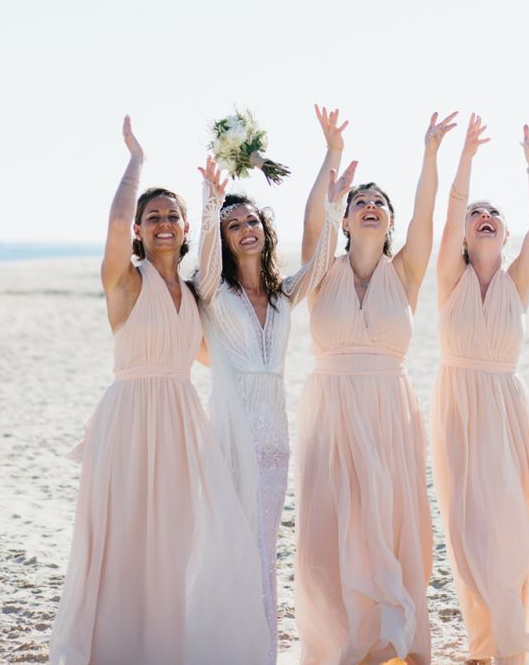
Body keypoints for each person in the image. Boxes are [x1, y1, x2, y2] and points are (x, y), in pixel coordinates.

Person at [50, 117, 269, 665]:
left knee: (172, 547)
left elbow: (218, 358)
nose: (163, 223)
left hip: (180, 424)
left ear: (189, 227)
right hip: (127, 423)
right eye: (154, 218)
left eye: (173, 216)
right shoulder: (124, 282)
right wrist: (135, 161)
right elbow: (116, 220)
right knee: (124, 545)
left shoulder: (197, 297)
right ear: (141, 232)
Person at [295, 109, 458, 665]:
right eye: (360, 203)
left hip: (391, 410)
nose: (370, 208)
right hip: (333, 410)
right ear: (345, 220)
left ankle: (398, 640)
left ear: (389, 222)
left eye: (379, 204)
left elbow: (428, 216)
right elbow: (311, 220)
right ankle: (346, 643)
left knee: (393, 526)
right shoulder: (320, 272)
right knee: (333, 528)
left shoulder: (406, 272)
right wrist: (332, 152)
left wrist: (430, 154)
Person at [196, 115, 357, 665]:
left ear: (265, 231)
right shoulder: (212, 293)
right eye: (233, 223)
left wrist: (335, 207)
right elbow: (207, 264)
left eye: (252, 220)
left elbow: (318, 267)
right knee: (229, 545)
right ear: (222, 235)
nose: (245, 228)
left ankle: (257, 651)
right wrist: (209, 198)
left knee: (262, 548)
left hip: (275, 440)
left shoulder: (286, 296)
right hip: (229, 434)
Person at [430, 115, 529, 665]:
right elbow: (447, 223)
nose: (484, 217)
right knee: (469, 532)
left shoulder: (517, 282)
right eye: (476, 214)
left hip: (508, 411)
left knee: (514, 528)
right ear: (467, 236)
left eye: (493, 214)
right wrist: (465, 158)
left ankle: (510, 642)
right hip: (459, 411)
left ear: (504, 232)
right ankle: (484, 642)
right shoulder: (451, 278)